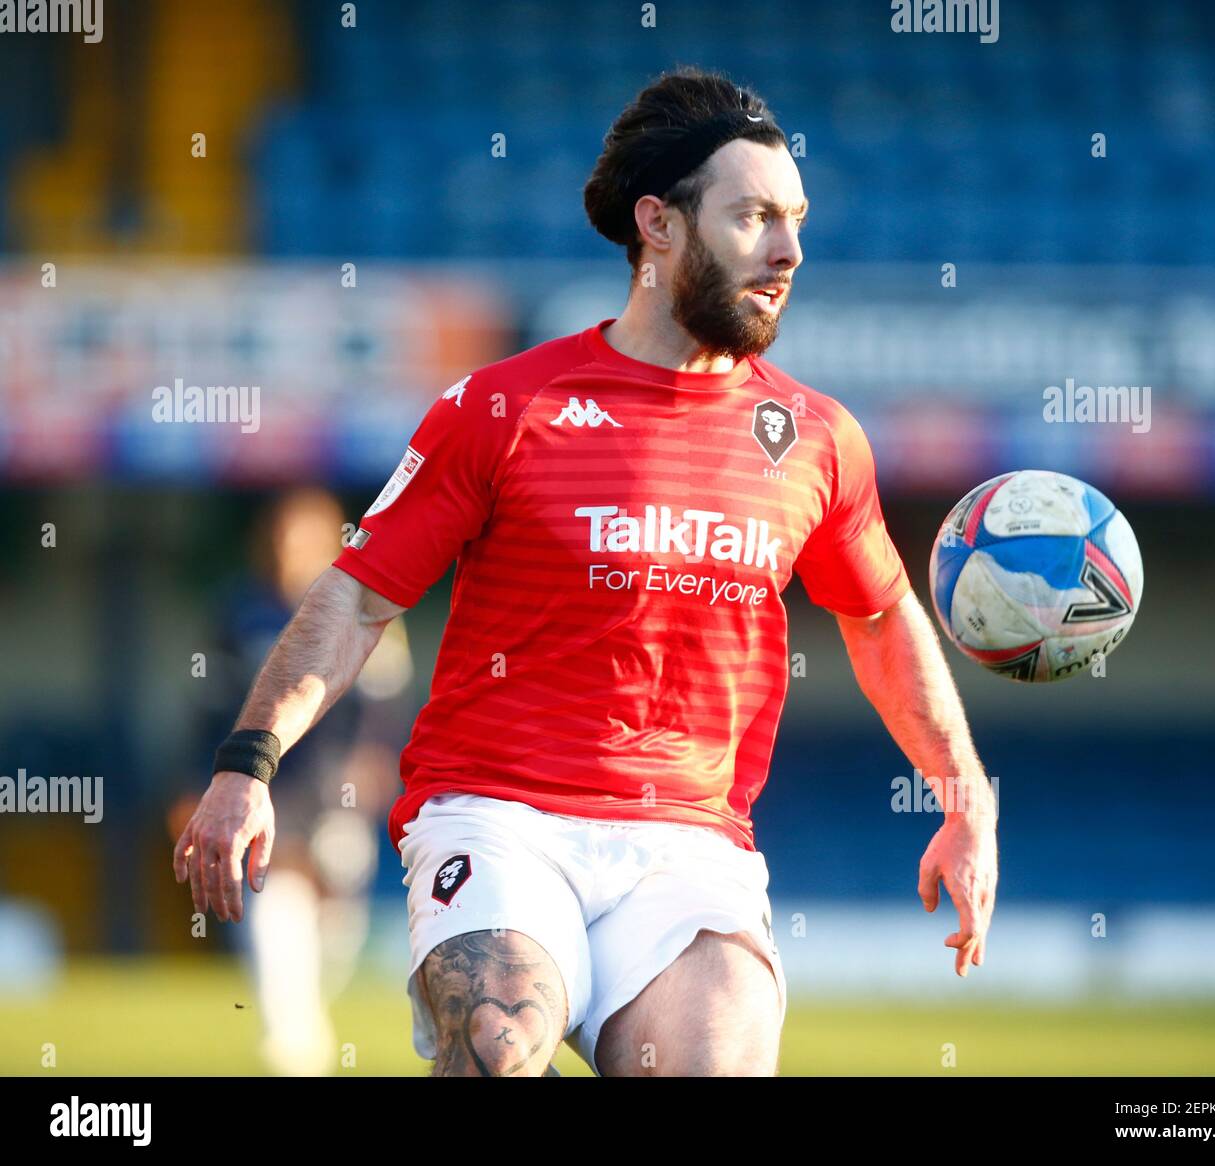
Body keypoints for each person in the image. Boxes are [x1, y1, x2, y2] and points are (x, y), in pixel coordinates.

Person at [173, 67, 998, 1078]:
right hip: (500, 815)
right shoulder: (502, 408)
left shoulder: (818, 438)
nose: (787, 249)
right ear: (657, 224)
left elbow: (880, 617)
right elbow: (357, 596)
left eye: (795, 218)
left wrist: (963, 797)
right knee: (495, 1046)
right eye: (751, 217)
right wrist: (246, 763)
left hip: (693, 845)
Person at [176, 489, 413, 1074]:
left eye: (303, 538)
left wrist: (380, 758)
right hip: (265, 781)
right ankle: (291, 1037)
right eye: (281, 538)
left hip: (336, 785)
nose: (289, 551)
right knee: (273, 892)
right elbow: (206, 706)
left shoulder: (365, 604)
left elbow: (389, 701)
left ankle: (302, 1013)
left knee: (335, 917)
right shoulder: (239, 613)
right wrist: (195, 781)